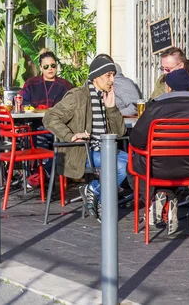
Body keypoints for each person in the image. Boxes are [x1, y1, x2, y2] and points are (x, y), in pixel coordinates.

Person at [129, 69, 189, 234]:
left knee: (133, 165)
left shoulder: (155, 107)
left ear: (168, 87)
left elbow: (136, 140)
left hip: (156, 167)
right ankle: (166, 196)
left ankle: (155, 202)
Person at [43, 55, 127, 222]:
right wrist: (70, 136)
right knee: (121, 166)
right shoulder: (78, 96)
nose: (112, 80)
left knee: (138, 163)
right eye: (108, 75)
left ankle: (94, 188)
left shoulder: (106, 96)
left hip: (104, 149)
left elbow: (119, 133)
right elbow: (50, 117)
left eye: (113, 75)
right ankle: (105, 207)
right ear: (96, 76)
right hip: (82, 152)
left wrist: (112, 109)